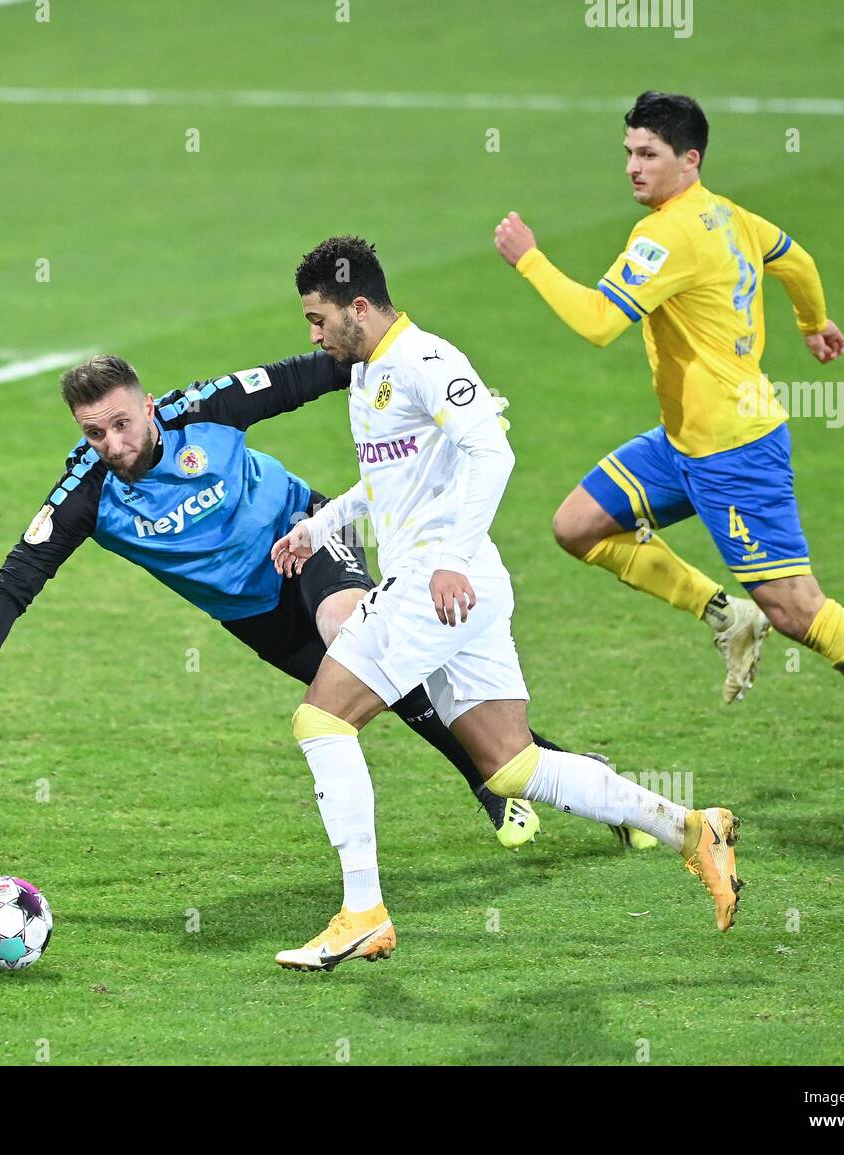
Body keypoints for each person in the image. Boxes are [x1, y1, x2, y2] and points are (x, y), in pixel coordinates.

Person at [494, 90, 844, 800]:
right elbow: (796, 258)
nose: (633, 167)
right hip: (682, 442)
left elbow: (601, 322)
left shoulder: (667, 236)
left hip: (734, 451)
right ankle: (728, 613)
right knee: (578, 524)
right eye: (628, 152)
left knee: (798, 608)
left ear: (688, 160)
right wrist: (814, 322)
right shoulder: (727, 214)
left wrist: (531, 260)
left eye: (648, 155)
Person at [269, 236, 742, 973]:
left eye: (318, 317)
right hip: (462, 587)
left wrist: (449, 560)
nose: (313, 334)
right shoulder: (366, 375)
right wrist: (320, 525)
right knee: (514, 765)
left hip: (439, 582)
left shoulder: (427, 362)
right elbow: (392, 487)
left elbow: (495, 453)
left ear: (358, 306)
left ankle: (362, 912)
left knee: (322, 718)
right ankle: (691, 829)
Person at [0, 349, 548, 847]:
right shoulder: (86, 496)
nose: (113, 444)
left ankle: (493, 785)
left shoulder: (204, 408)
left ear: (148, 408)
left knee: (351, 632)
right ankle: (561, 773)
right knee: (395, 686)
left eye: (121, 424)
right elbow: (15, 581)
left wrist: (452, 409)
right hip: (254, 613)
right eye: (95, 433)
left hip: (305, 534)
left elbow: (319, 371)